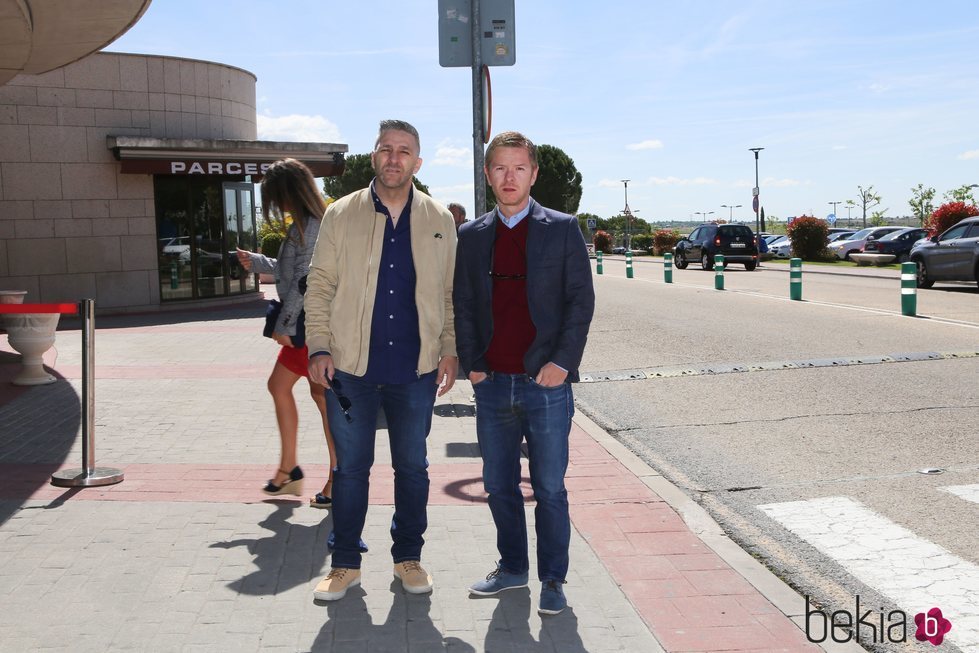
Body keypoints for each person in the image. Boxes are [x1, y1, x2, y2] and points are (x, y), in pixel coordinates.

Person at [304, 119, 458, 602]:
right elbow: (320, 285)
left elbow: (450, 294)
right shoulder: (341, 214)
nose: (395, 158)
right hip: (350, 369)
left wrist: (449, 349)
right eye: (386, 149)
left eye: (405, 150)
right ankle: (345, 563)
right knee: (351, 470)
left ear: (418, 161)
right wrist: (319, 346)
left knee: (412, 467)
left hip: (415, 371)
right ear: (374, 156)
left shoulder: (438, 219)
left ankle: (407, 558)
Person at [453, 131, 595, 616]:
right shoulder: (471, 236)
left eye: (519, 168)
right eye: (499, 168)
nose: (509, 177)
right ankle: (513, 568)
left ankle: (553, 578)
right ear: (488, 174)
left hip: (546, 385)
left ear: (533, 174)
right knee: (498, 484)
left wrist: (561, 363)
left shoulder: (561, 228)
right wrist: (473, 365)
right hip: (492, 384)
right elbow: (464, 304)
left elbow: (580, 302)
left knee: (550, 487)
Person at [236, 158, 337, 506]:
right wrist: (259, 261)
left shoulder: (310, 227)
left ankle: (325, 478)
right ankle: (291, 471)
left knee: (323, 402)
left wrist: (285, 327)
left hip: (311, 330)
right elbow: (292, 270)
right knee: (313, 398)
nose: (274, 205)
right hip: (309, 327)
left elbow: (305, 281)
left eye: (275, 197)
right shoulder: (309, 224)